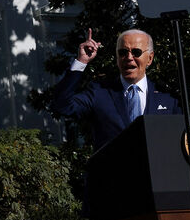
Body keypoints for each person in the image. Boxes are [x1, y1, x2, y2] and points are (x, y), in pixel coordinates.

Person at [51, 28, 181, 150]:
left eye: (136, 52)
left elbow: (179, 139)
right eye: (123, 52)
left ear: (150, 58)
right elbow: (63, 106)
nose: (129, 58)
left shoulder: (168, 97)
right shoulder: (99, 92)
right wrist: (81, 61)